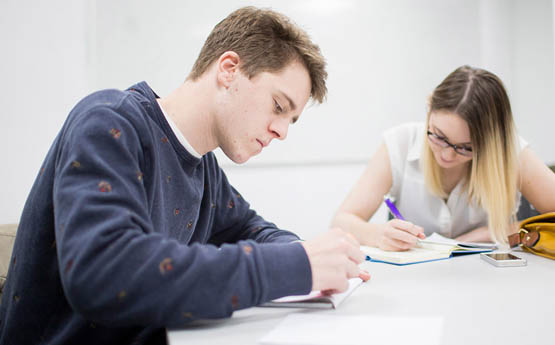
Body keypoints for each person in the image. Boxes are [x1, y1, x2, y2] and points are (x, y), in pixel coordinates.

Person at [0, 7, 369, 345]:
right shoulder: (110, 121)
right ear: (228, 70)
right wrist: (296, 266)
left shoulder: (203, 166)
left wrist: (315, 257)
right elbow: (106, 273)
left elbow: (251, 230)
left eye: (291, 120)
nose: (282, 132)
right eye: (278, 106)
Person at [332, 65, 555, 251]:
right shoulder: (400, 142)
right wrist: (379, 234)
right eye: (439, 136)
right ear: (429, 107)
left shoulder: (511, 151)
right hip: (418, 280)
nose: (447, 155)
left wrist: (491, 232)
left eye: (467, 147)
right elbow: (342, 221)